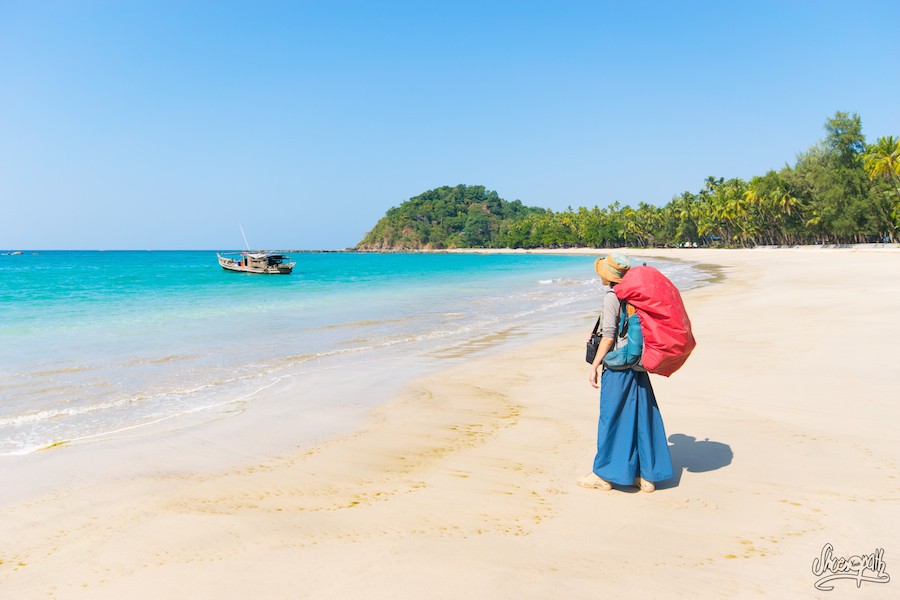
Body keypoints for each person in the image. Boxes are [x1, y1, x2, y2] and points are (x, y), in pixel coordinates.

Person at [578, 254, 673, 493]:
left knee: (611, 418)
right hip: (638, 364)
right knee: (641, 417)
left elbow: (609, 335)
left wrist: (594, 365)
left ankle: (604, 475)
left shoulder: (613, 297)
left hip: (619, 366)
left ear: (606, 276)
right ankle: (646, 477)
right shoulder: (636, 296)